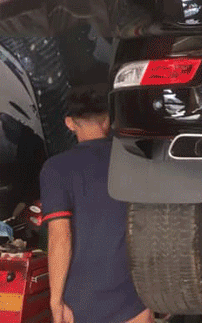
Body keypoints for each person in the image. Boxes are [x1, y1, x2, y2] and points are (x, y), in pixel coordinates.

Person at [39, 85, 152, 323]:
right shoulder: (137, 161)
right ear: (108, 121)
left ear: (70, 123)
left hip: (81, 301)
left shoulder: (56, 169)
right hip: (134, 297)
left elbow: (60, 238)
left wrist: (55, 300)